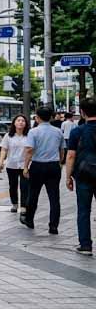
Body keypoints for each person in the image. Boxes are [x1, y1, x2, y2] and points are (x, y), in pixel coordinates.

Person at [23, 106, 64, 233]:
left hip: (37, 165)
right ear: (51, 117)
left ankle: (29, 219)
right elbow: (62, 150)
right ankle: (53, 225)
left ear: (37, 117)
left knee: (33, 194)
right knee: (54, 197)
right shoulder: (58, 131)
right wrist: (60, 162)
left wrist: (25, 167)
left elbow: (29, 150)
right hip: (53, 166)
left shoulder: (33, 132)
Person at [65, 98, 96, 256]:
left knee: (84, 210)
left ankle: (85, 245)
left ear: (82, 112)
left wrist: (68, 177)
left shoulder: (77, 131)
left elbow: (70, 156)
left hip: (83, 175)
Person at [0, 115, 31, 215]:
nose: (21, 122)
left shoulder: (29, 135)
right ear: (14, 123)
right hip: (11, 164)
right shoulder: (8, 136)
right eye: (18, 120)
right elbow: (4, 149)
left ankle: (24, 205)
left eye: (23, 121)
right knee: (13, 185)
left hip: (25, 165)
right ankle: (14, 204)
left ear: (26, 123)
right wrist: (1, 162)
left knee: (24, 186)